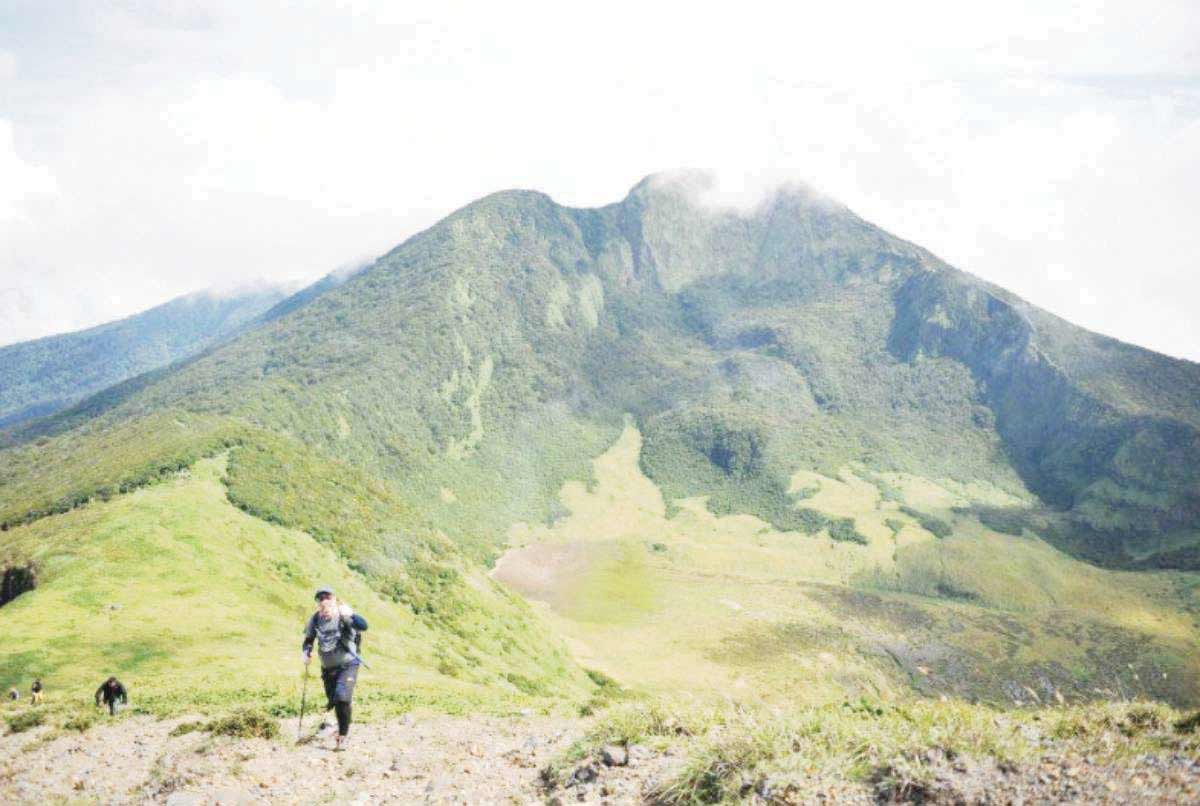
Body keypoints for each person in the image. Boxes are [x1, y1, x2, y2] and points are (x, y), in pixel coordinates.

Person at [302, 587, 368, 750]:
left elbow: (363, 626)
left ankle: (342, 736)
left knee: (342, 698)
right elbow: (309, 638)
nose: (324, 600)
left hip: (347, 664)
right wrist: (306, 651)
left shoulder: (343, 615)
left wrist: (351, 615)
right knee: (333, 701)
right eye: (320, 598)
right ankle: (330, 727)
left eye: (327, 596)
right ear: (318, 602)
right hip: (327, 668)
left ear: (334, 598)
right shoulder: (315, 619)